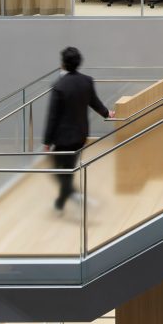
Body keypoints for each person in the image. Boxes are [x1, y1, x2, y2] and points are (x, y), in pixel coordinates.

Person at [43, 47, 115, 212]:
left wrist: (47, 141)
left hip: (62, 137)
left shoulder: (59, 86)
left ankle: (65, 196)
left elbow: (53, 116)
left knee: (57, 167)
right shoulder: (86, 81)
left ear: (63, 63)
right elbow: (94, 102)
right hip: (80, 135)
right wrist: (107, 113)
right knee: (70, 166)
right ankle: (65, 197)